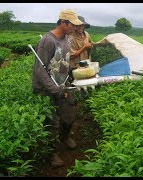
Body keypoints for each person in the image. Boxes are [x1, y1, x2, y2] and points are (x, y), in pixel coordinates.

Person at [32, 9, 83, 168]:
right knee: (51, 123)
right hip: (46, 89)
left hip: (62, 85)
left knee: (69, 116)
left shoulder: (66, 39)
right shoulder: (48, 41)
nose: (75, 29)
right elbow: (40, 71)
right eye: (73, 25)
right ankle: (52, 153)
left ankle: (64, 137)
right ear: (63, 23)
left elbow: (63, 63)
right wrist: (56, 90)